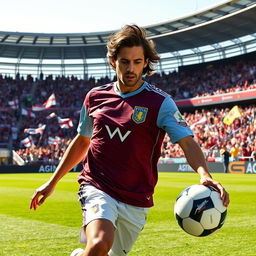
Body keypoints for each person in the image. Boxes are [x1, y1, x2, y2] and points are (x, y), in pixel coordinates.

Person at [30, 25, 230, 256]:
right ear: (113, 61)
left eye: (137, 61)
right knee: (98, 244)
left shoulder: (160, 103)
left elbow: (187, 141)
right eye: (124, 61)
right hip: (98, 185)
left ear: (146, 62)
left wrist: (204, 174)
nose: (131, 68)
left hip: (137, 197)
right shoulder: (95, 97)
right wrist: (52, 182)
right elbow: (82, 141)